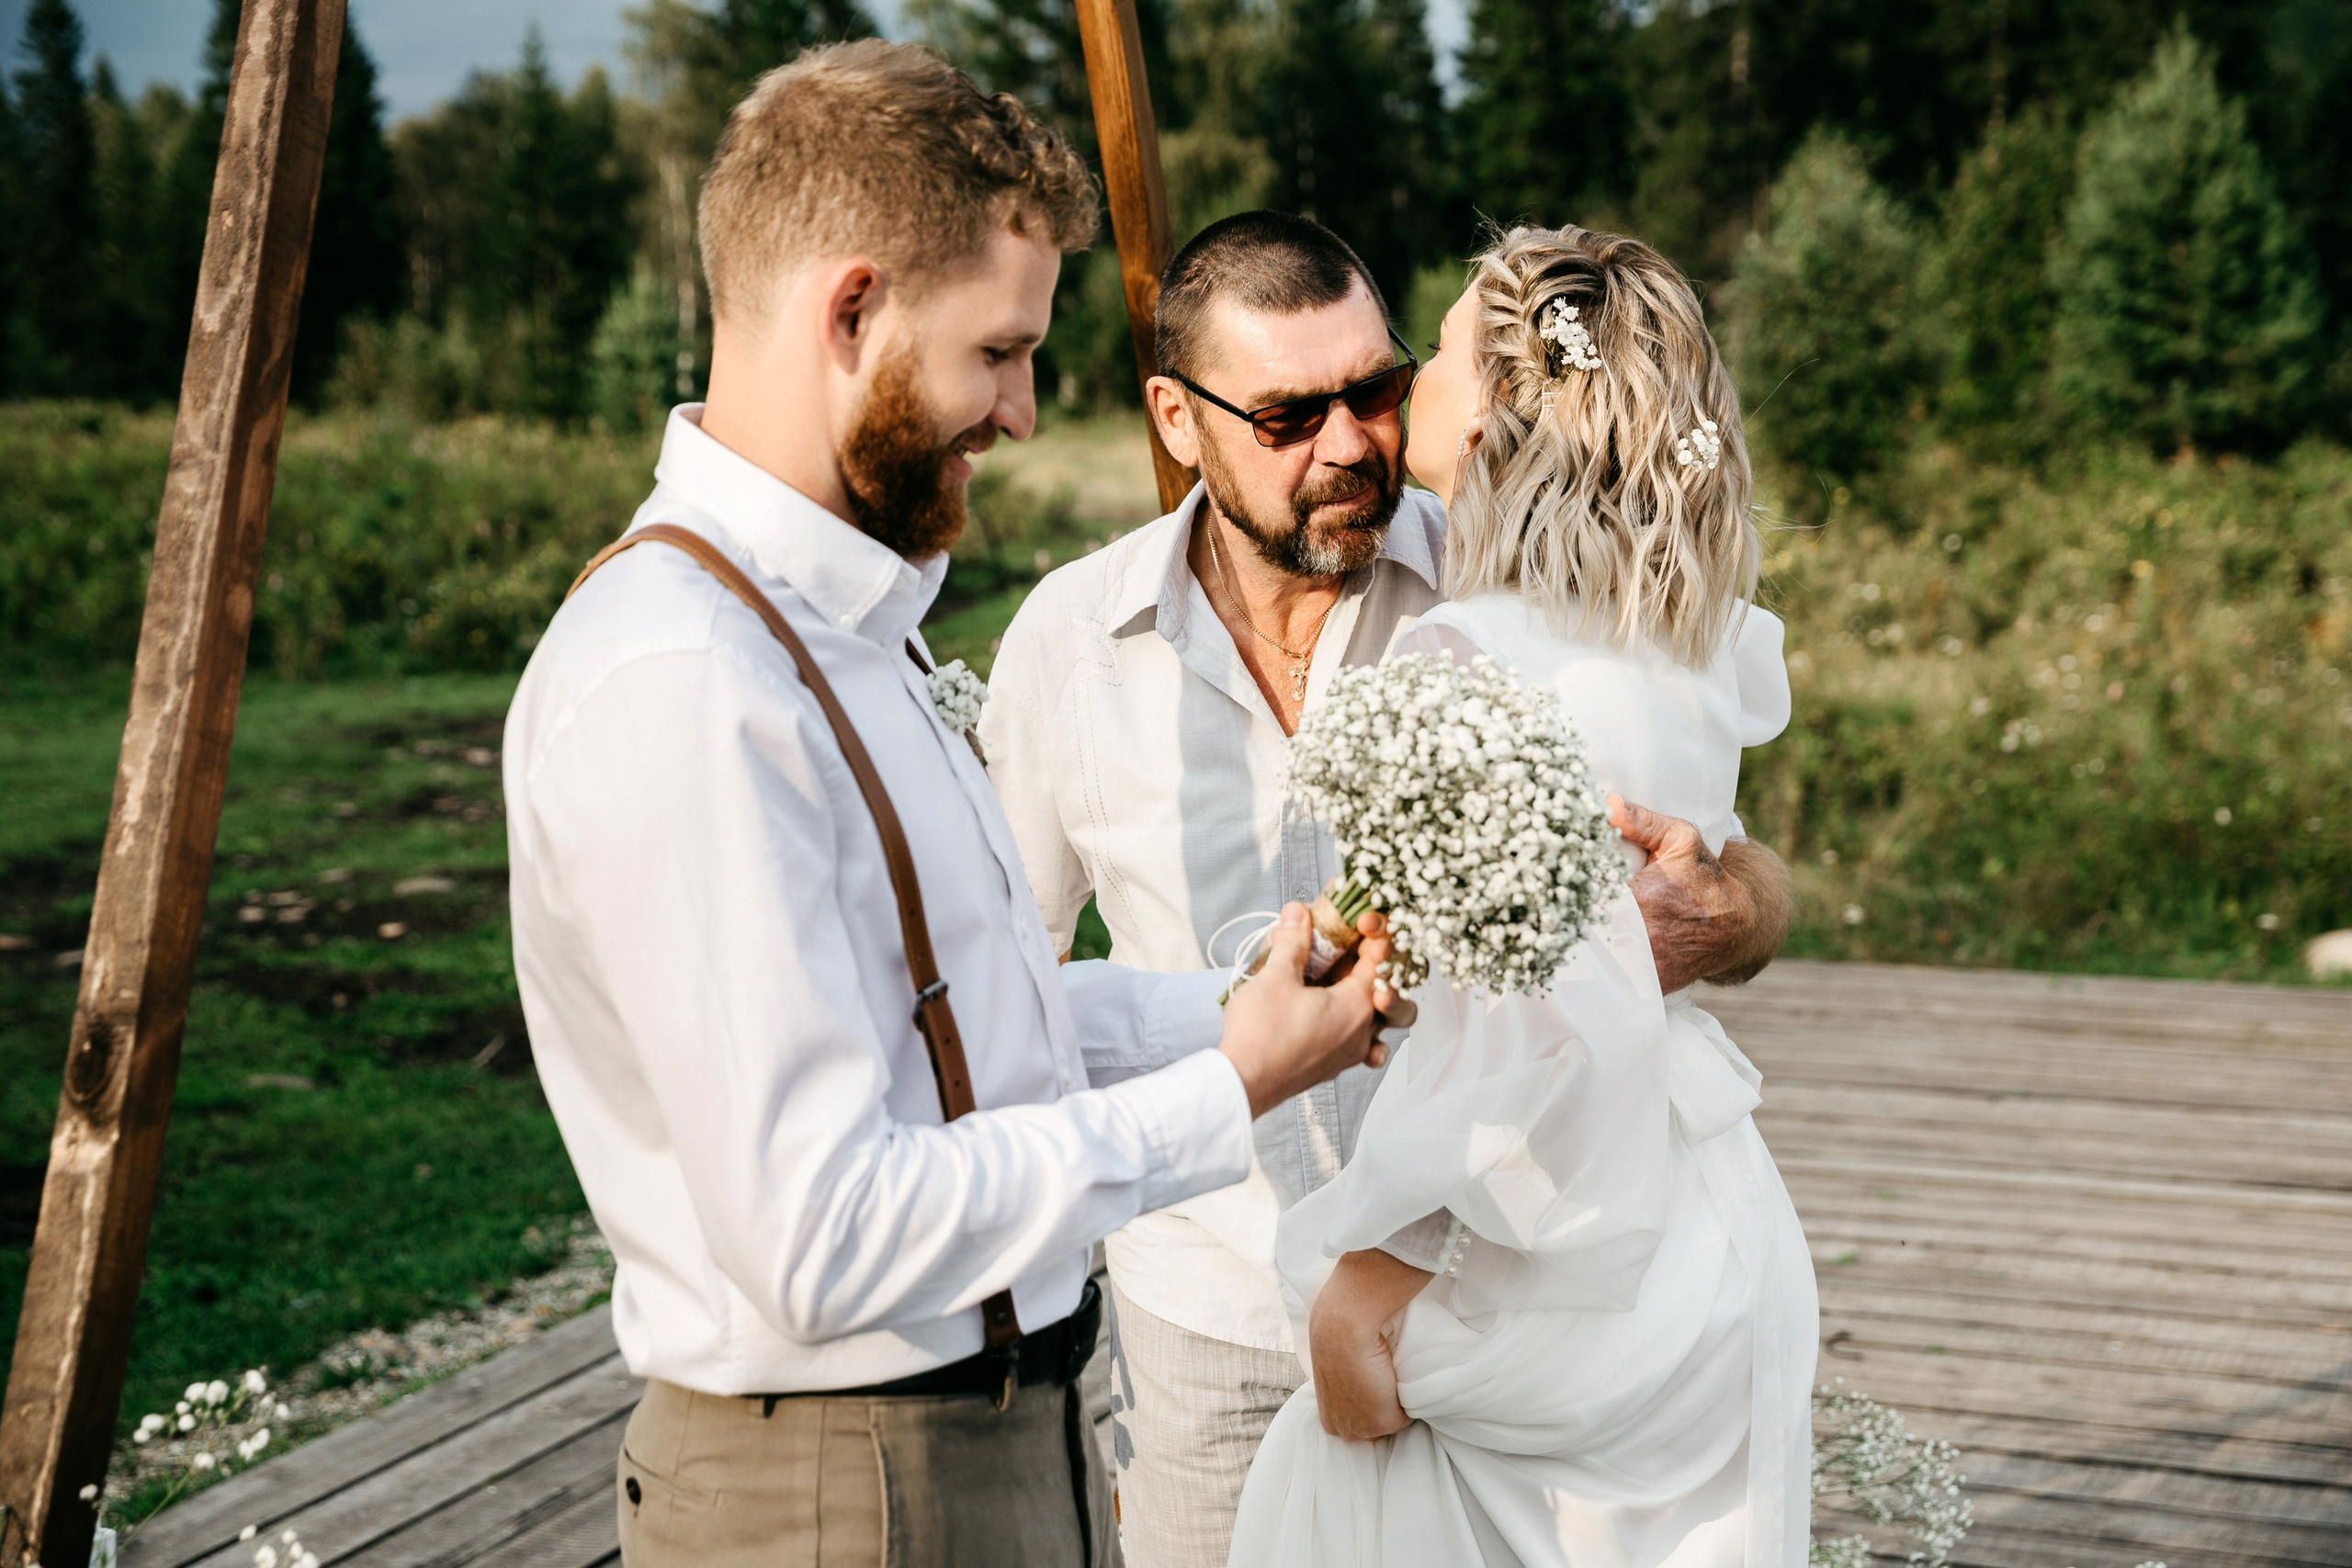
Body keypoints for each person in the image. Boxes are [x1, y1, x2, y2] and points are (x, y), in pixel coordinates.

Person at [502, 45, 1400, 1568]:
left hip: (977, 1443)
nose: (1023, 412)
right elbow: (825, 1234)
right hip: (843, 1488)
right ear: (852, 311)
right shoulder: (690, 678)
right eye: (1000, 351)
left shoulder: (843, 631)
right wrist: (1226, 1093)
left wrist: (1231, 1007)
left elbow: (964, 1030)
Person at [979, 211, 1792, 1568]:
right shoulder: (1070, 643)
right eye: (1290, 416)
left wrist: (1739, 911)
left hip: (1491, 1300)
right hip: (1208, 1309)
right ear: (1177, 418)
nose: (1351, 442)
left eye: (1376, 389)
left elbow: (1713, 855)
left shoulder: (1513, 579)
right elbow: (1004, 981)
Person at [1226, 223, 1821, 1567]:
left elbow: (1515, 1031)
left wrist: (1372, 1280)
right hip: (1706, 1216)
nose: (1409, 387)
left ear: (1497, 403)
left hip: (1542, 1251)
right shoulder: (1690, 641)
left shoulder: (1470, 658)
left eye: (1431, 356)